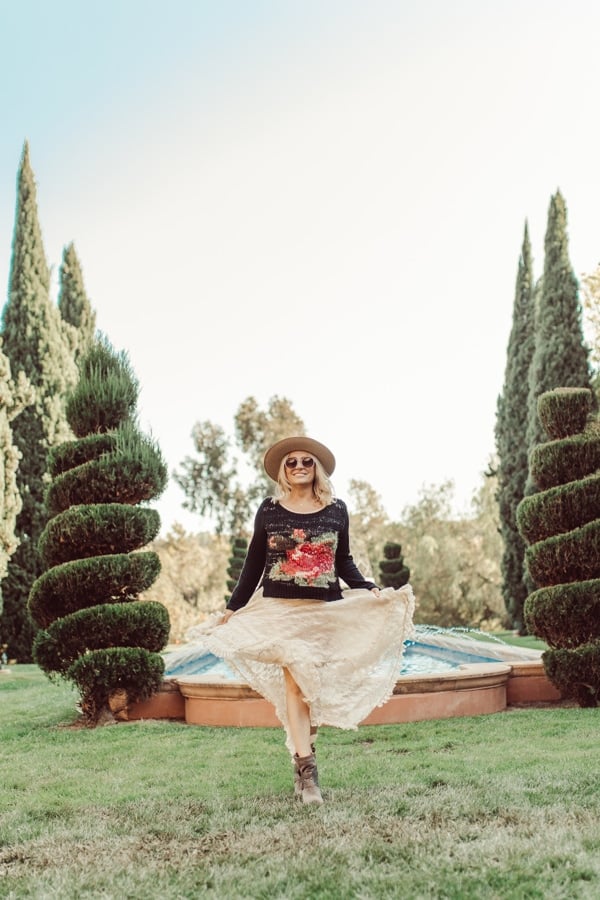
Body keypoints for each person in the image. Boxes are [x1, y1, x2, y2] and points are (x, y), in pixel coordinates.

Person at [165, 436, 415, 805]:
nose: (299, 466)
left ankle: (302, 756)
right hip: (280, 611)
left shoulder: (336, 509)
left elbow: (342, 560)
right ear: (283, 470)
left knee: (311, 690)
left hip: (323, 612)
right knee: (296, 686)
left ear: (317, 469)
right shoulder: (269, 510)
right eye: (292, 462)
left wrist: (368, 586)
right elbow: (254, 564)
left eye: (306, 461)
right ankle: (307, 773)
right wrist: (232, 609)